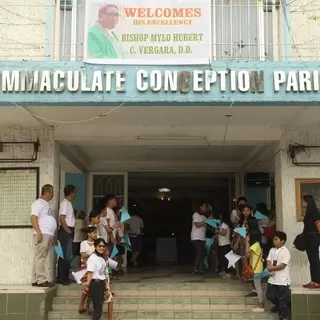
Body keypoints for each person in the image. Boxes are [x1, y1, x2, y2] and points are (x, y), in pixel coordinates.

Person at [83, 238, 117, 320]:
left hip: (101, 284)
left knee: (99, 308)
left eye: (103, 246)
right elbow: (90, 272)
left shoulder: (101, 259)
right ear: (95, 246)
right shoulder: (92, 258)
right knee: (98, 309)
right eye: (99, 246)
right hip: (95, 284)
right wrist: (88, 283)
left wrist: (106, 287)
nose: (102, 248)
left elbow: (103, 274)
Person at [30, 184, 57, 287]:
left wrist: (53, 235)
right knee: (40, 257)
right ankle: (41, 280)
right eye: (52, 192)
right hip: (42, 233)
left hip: (48, 233)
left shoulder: (47, 204)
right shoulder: (38, 203)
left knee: (40, 257)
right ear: (46, 192)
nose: (53, 194)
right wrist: (38, 232)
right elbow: (33, 217)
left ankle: (35, 279)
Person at [266, 231, 291, 320]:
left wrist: (272, 268)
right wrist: (270, 267)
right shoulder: (272, 250)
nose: (274, 241)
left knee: (281, 301)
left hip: (282, 280)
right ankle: (284, 305)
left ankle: (284, 318)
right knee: (269, 295)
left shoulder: (285, 251)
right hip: (272, 278)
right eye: (273, 239)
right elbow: (268, 261)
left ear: (282, 241)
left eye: (276, 239)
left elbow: (283, 265)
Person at [57, 185, 77, 285]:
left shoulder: (68, 203)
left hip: (69, 231)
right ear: (71, 192)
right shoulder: (65, 203)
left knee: (67, 255)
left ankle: (65, 276)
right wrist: (68, 231)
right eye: (74, 192)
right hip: (66, 231)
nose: (75, 194)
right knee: (65, 255)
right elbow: (62, 218)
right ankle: (61, 277)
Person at [302, 195, 320, 289]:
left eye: (304, 201)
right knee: (312, 260)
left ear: (308, 202)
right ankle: (313, 280)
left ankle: (318, 281)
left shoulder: (314, 213)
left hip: (314, 237)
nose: (303, 203)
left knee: (315, 260)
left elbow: (319, 226)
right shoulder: (308, 213)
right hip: (308, 238)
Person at [78, 226, 98, 314]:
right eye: (93, 232)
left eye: (96, 232)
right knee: (87, 287)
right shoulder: (83, 243)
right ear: (88, 233)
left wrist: (89, 254)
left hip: (94, 268)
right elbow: (83, 255)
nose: (95, 234)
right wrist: (92, 253)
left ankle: (87, 306)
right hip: (85, 268)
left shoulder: (97, 244)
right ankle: (82, 304)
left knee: (91, 288)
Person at [191, 201, 208, 275]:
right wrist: (206, 221)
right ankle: (195, 269)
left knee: (202, 253)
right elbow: (197, 225)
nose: (206, 208)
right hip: (196, 237)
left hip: (202, 237)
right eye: (204, 206)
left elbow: (206, 227)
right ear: (200, 207)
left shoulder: (204, 217)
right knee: (199, 253)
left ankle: (201, 270)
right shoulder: (195, 214)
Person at [248, 233, 264, 312]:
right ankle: (261, 305)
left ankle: (261, 306)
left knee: (258, 287)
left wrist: (246, 241)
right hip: (258, 268)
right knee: (258, 286)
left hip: (256, 269)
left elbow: (247, 252)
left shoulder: (256, 244)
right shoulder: (258, 244)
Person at [216, 212, 231, 277]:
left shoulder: (224, 224)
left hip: (224, 243)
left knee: (223, 258)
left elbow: (224, 233)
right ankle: (224, 270)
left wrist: (218, 231)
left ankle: (224, 271)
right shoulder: (225, 224)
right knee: (224, 258)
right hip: (224, 243)